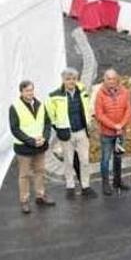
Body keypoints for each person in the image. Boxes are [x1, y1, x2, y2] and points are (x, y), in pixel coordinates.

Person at [47, 68, 97, 199]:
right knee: (68, 161)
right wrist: (59, 129)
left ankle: (85, 185)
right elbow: (51, 116)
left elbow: (87, 107)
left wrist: (89, 122)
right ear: (63, 80)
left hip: (81, 131)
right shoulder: (54, 95)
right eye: (68, 79)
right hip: (66, 133)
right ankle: (70, 186)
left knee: (84, 160)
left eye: (73, 79)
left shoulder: (82, 91)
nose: (71, 81)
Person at [9, 80, 55, 214]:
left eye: (31, 90)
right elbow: (15, 129)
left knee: (40, 171)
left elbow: (47, 123)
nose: (30, 93)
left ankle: (40, 196)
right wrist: (30, 141)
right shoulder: (15, 107)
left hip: (39, 146)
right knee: (24, 175)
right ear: (21, 92)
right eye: (27, 91)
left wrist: (45, 137)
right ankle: (24, 201)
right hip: (24, 147)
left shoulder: (40, 105)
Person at [94, 69, 131, 196]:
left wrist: (121, 125)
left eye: (113, 79)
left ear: (117, 79)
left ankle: (118, 180)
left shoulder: (125, 92)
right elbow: (99, 114)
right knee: (105, 159)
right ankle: (105, 183)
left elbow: (128, 110)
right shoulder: (100, 94)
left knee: (118, 157)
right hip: (106, 133)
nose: (111, 81)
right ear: (104, 80)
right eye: (108, 79)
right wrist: (114, 126)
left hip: (120, 132)